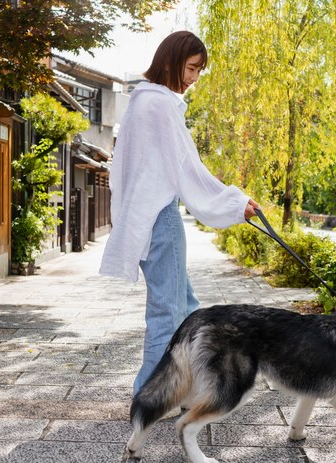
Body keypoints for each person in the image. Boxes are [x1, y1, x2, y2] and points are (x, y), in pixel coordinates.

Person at [99, 31, 259, 395]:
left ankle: (189, 389)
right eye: (191, 68)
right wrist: (235, 203)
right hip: (161, 218)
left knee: (187, 309)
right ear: (170, 61)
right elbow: (186, 167)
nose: (194, 79)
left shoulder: (142, 103)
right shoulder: (158, 105)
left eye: (199, 71)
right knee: (169, 317)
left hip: (147, 218)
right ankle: (151, 396)